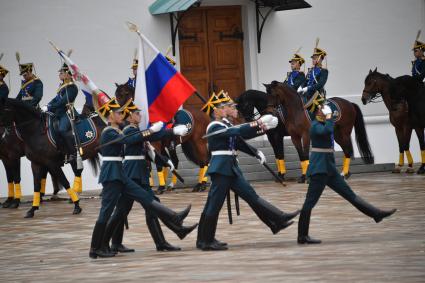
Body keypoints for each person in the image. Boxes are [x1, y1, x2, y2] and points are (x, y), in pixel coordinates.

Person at [89, 95, 196, 259]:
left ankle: (174, 217)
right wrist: (153, 130)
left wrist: (168, 131)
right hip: (113, 173)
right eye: (118, 113)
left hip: (121, 173)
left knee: (145, 199)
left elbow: (144, 138)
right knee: (108, 211)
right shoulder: (109, 132)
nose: (121, 115)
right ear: (110, 116)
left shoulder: (117, 130)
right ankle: (96, 247)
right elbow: (131, 138)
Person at [196, 91, 300, 251]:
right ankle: (206, 241)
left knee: (251, 196)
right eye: (231, 106)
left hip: (231, 168)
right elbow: (237, 132)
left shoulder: (225, 125)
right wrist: (258, 123)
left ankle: (277, 220)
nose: (235, 108)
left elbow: (238, 139)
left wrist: (259, 139)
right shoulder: (214, 126)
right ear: (221, 109)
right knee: (214, 204)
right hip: (222, 169)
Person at [297, 104, 397, 244]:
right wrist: (330, 118)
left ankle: (376, 214)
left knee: (350, 195)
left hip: (329, 169)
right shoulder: (314, 126)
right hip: (319, 171)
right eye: (322, 109)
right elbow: (327, 130)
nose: (325, 111)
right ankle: (302, 236)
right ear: (317, 113)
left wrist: (329, 117)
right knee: (309, 203)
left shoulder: (322, 122)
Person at [42, 63, 79, 154]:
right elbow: (56, 99)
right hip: (59, 112)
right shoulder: (62, 87)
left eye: (61, 73)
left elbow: (63, 101)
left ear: (68, 74)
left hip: (67, 112)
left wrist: (50, 107)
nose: (59, 74)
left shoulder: (72, 87)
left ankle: (73, 152)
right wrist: (47, 105)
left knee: (62, 129)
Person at [298, 39, 328, 104]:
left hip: (317, 94)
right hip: (307, 93)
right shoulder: (311, 70)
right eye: (313, 58)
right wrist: (301, 87)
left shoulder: (324, 71)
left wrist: (308, 88)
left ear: (320, 59)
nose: (313, 60)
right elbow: (306, 81)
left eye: (315, 58)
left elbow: (320, 84)